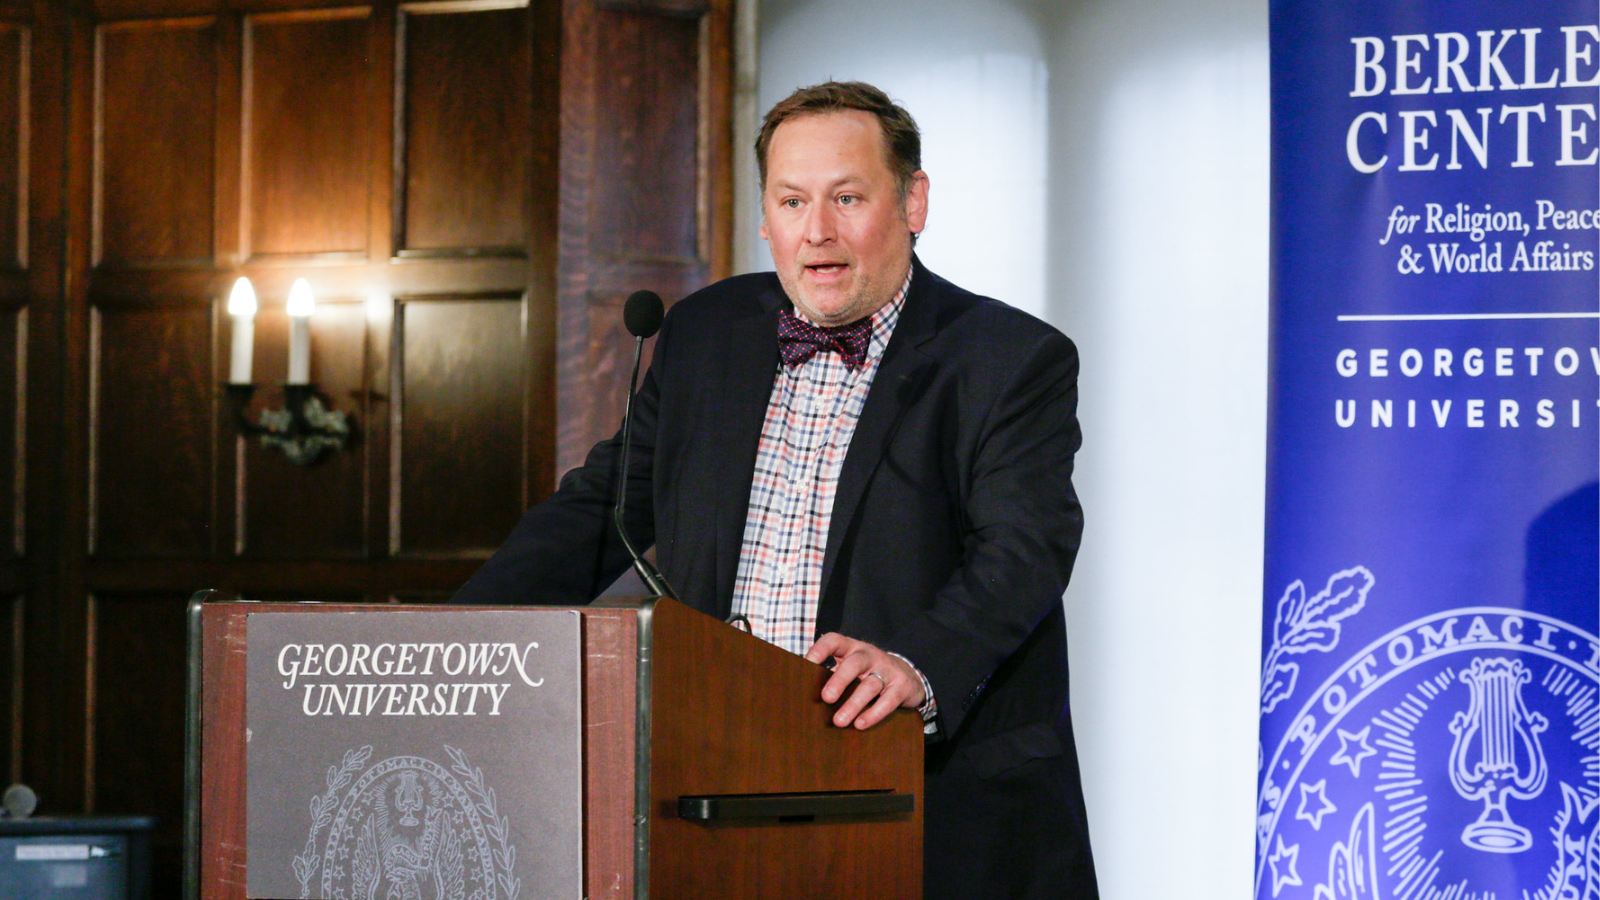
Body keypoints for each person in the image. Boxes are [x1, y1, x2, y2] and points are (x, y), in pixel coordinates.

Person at [452, 80, 1097, 899]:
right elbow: (600, 510)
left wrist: (915, 664)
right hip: (715, 797)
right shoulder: (702, 334)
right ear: (765, 217)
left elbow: (1024, 550)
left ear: (913, 201)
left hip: (927, 803)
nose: (817, 232)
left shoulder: (1008, 357)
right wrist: (452, 639)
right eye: (792, 201)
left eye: (848, 198)